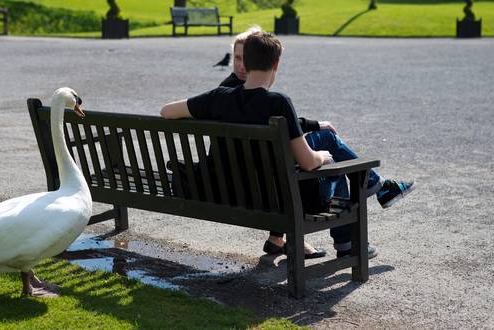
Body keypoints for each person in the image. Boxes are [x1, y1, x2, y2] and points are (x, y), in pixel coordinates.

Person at [161, 32, 414, 259]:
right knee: (333, 162)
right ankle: (350, 241)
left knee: (322, 153)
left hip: (236, 192)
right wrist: (323, 158)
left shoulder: (217, 97)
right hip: (280, 197)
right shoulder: (279, 102)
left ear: (244, 63)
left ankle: (362, 213)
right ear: (276, 64)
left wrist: (206, 111)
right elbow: (307, 162)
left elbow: (166, 111)